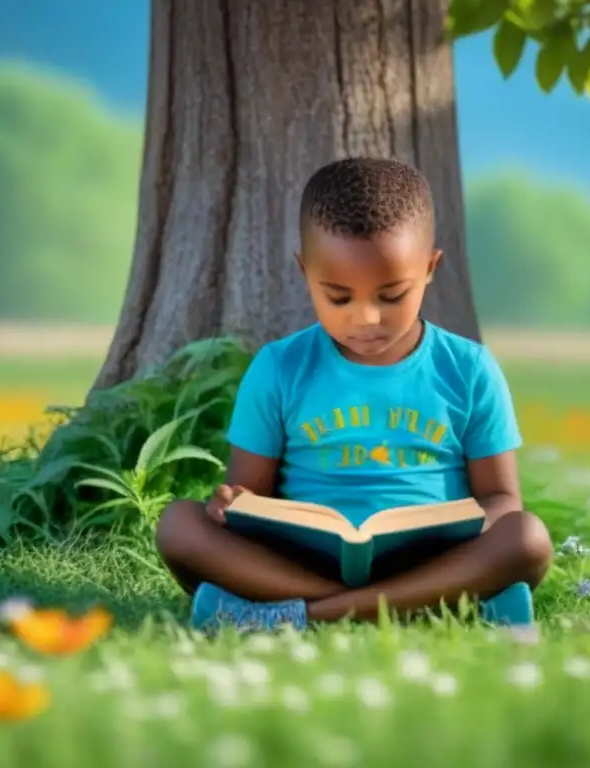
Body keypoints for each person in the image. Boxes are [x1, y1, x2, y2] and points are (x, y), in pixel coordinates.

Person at [155, 157, 553, 632]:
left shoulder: (468, 369)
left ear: (429, 268)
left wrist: (457, 524)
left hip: (433, 557)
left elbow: (502, 500)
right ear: (306, 273)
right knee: (179, 524)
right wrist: (230, 503)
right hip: (304, 560)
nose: (366, 318)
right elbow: (250, 498)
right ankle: (418, 607)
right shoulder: (279, 367)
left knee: (527, 538)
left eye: (392, 295)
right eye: (339, 297)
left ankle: (303, 615)